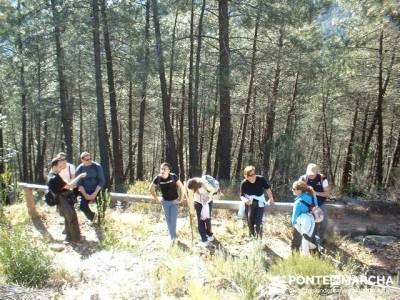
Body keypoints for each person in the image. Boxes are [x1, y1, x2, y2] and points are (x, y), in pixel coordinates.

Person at [47, 157, 86, 242]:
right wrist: (79, 176)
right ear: (54, 166)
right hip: (62, 199)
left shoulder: (52, 175)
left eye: (62, 167)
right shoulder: (54, 178)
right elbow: (69, 186)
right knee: (72, 218)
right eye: (60, 167)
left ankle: (69, 237)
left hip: (62, 199)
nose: (61, 169)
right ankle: (76, 239)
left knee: (67, 218)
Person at [149, 162, 184, 243]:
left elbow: (181, 187)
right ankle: (172, 237)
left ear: (168, 170)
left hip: (174, 201)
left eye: (165, 169)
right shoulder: (158, 178)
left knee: (173, 220)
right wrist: (156, 198)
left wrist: (181, 198)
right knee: (168, 220)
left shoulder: (173, 176)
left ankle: (173, 237)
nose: (163, 170)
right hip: (165, 202)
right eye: (161, 169)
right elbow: (151, 188)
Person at [240, 165, 274, 239]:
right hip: (249, 203)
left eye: (253, 174)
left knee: (258, 221)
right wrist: (245, 200)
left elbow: (267, 188)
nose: (253, 176)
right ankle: (251, 237)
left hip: (260, 202)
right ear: (246, 176)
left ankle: (259, 238)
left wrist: (271, 198)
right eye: (250, 175)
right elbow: (242, 195)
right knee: (250, 221)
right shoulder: (244, 183)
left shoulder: (261, 179)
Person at [300, 163, 331, 240]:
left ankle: (320, 240)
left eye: (313, 174)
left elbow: (327, 193)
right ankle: (305, 239)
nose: (311, 176)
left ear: (317, 172)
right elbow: (296, 191)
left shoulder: (322, 179)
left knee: (324, 221)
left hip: (320, 203)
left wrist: (315, 193)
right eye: (309, 174)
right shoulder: (303, 179)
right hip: (307, 203)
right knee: (306, 221)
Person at [75, 152, 105, 223]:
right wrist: (85, 195)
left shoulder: (97, 166)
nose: (90, 160)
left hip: (97, 190)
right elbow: (79, 184)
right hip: (86, 191)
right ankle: (93, 217)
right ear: (82, 160)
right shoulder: (79, 168)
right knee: (82, 206)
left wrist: (95, 193)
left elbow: (102, 181)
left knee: (102, 205)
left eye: (90, 158)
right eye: (87, 159)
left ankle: (101, 221)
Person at [187, 177, 218, 246]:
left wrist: (208, 197)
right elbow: (191, 198)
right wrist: (191, 210)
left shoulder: (204, 182)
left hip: (208, 202)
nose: (192, 190)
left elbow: (213, 190)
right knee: (200, 221)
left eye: (193, 189)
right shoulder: (191, 186)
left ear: (195, 185)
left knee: (207, 219)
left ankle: (209, 234)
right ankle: (204, 238)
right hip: (198, 203)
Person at [291, 180, 318, 255]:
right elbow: (316, 205)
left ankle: (295, 258)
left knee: (296, 243)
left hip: (301, 224)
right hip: (313, 221)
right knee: (312, 241)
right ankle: (316, 258)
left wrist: (293, 225)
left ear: (299, 190)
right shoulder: (312, 195)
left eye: (294, 189)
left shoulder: (298, 202)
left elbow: (294, 218)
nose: (292, 190)